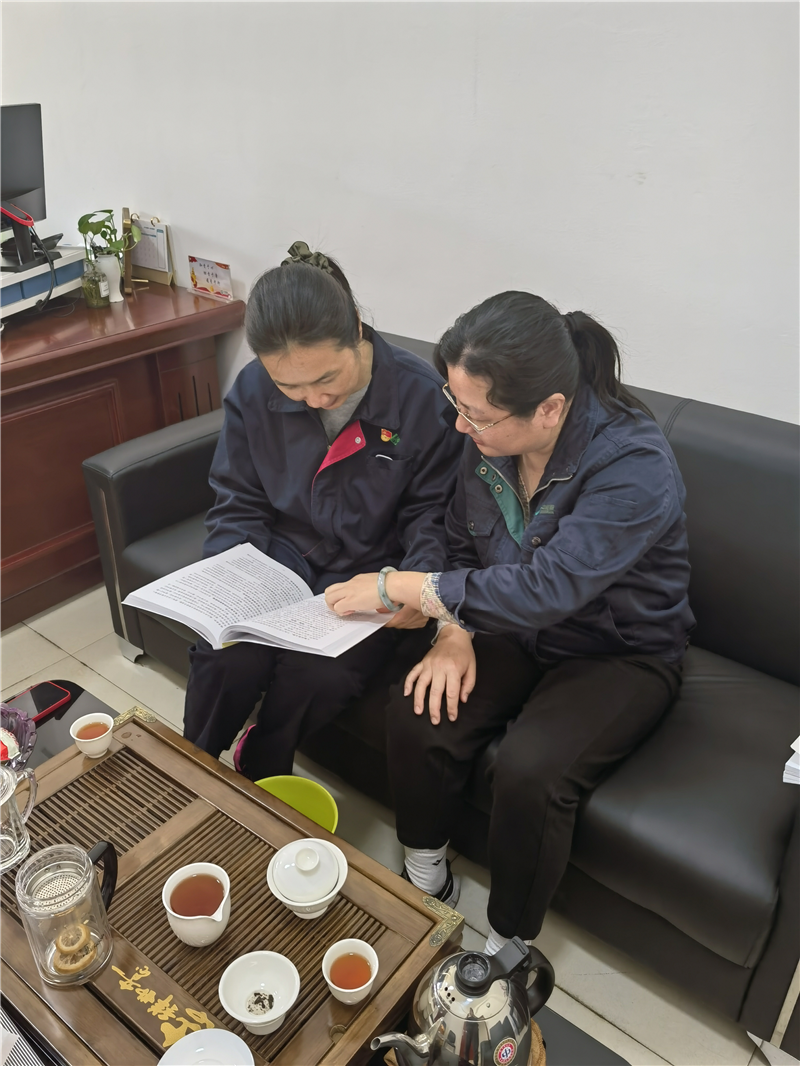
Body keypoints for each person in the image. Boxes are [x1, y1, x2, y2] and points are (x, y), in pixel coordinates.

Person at [326, 290, 695, 950]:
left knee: (529, 772)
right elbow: (458, 540)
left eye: (477, 415)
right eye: (457, 403)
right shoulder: (489, 441)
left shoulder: (633, 465)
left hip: (618, 650)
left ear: (549, 408)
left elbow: (549, 588)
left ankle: (508, 943)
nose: (461, 426)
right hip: (511, 625)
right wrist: (452, 631)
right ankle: (427, 879)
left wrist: (401, 586)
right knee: (417, 709)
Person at [183, 242, 462, 781]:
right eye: (290, 385)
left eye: (326, 379)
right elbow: (238, 498)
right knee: (225, 653)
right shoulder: (252, 389)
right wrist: (230, 576)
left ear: (355, 327)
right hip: (278, 559)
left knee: (319, 676)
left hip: (370, 575)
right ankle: (188, 769)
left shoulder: (423, 399)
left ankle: (260, 765)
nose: (312, 399)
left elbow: (431, 515)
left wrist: (413, 585)